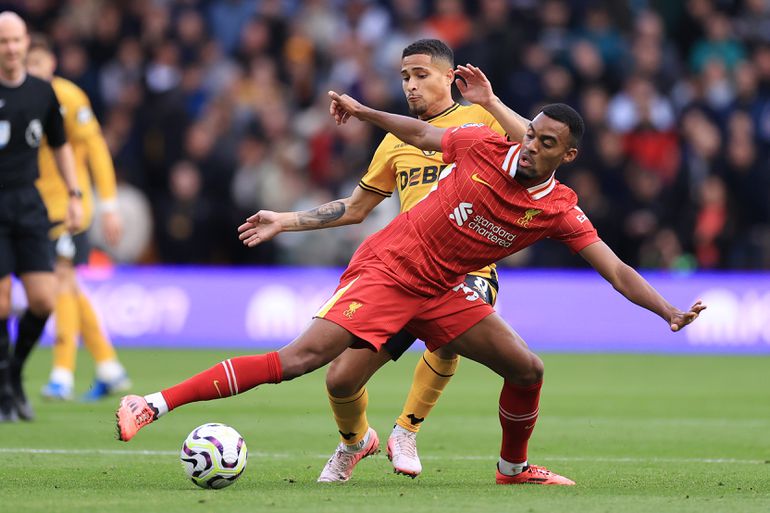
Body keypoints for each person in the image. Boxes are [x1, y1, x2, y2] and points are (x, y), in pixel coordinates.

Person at [115, 93, 705, 486]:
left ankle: (511, 467)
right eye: (531, 135)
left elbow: (617, 270)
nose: (531, 145)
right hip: (391, 271)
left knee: (527, 369)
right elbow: (419, 131)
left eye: (547, 143)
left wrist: (668, 311)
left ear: (567, 156)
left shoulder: (559, 208)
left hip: (444, 290)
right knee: (305, 362)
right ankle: (152, 403)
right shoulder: (480, 146)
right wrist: (363, 111)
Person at [257, 39, 530, 482]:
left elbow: (535, 149)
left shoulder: (479, 119)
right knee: (341, 380)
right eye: (405, 77)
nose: (411, 85)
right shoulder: (395, 140)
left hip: (468, 268)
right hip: (407, 272)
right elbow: (355, 208)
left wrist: (493, 100)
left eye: (421, 75)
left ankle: (406, 429)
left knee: (449, 337)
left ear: (451, 76)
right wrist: (284, 221)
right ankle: (355, 442)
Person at [26, 34, 131, 402]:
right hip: (34, 208)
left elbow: (98, 149)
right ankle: (108, 366)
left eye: (36, 65)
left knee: (61, 281)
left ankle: (62, 373)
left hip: (70, 208)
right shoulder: (20, 98)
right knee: (68, 286)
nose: (31, 72)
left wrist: (109, 205)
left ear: (51, 64)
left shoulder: (68, 98)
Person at [0, 11, 83, 422]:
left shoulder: (40, 92)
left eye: (16, 41)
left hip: (28, 202)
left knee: (44, 299)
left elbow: (60, 144)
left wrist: (74, 194)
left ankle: (13, 374)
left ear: (26, 42)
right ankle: (2, 390)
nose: (11, 49)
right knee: (0, 302)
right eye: (3, 42)